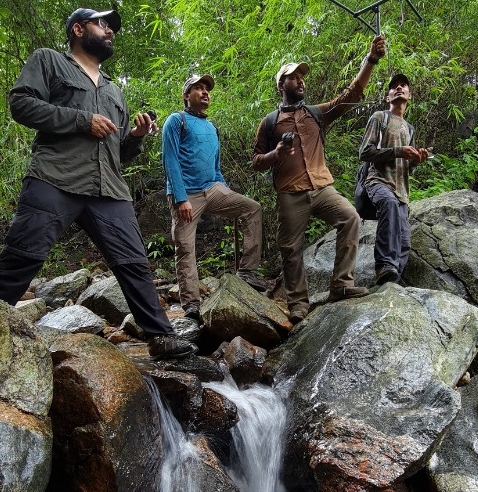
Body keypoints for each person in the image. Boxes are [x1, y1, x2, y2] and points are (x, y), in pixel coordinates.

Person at [0, 7, 193, 360]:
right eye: (102, 23)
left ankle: (161, 338)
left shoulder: (115, 91)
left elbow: (121, 152)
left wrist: (136, 136)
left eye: (112, 26)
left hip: (109, 189)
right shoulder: (49, 61)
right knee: (23, 256)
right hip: (55, 176)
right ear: (79, 29)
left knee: (133, 263)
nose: (110, 30)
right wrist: (82, 121)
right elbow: (20, 104)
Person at [251, 35, 387, 323]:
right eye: (293, 77)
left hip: (322, 187)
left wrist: (370, 60)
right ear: (281, 85)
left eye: (302, 77)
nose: (300, 81)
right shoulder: (269, 122)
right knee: (290, 248)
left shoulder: (316, 114)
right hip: (290, 192)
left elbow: (351, 95)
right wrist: (276, 154)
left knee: (350, 217)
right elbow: (256, 162)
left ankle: (341, 286)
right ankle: (298, 303)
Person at [163, 74, 268, 320]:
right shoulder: (177, 121)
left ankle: (247, 271)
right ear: (186, 96)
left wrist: (225, 189)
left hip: (214, 189)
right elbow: (169, 160)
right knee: (186, 247)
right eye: (198, 88)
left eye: (207, 88)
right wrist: (180, 198)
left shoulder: (212, 127)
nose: (205, 92)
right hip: (186, 193)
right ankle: (190, 304)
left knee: (252, 208)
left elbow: (216, 165)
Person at [356, 72, 431, 284]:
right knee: (387, 204)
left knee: (404, 240)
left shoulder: (410, 129)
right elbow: (364, 152)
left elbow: (408, 169)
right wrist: (398, 151)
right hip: (378, 181)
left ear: (410, 96)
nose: (398, 88)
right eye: (394, 87)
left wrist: (417, 160)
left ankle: (390, 283)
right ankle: (383, 265)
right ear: (387, 97)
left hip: (402, 191)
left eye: (403, 85)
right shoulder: (380, 118)